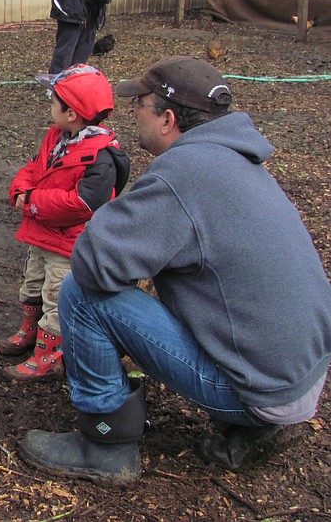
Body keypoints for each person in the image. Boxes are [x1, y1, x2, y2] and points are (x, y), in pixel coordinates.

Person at [19, 56, 331, 483]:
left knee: (80, 295)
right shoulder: (239, 160)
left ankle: (105, 443)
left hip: (261, 387)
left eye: (141, 104)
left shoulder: (182, 176)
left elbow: (94, 263)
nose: (133, 113)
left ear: (167, 119)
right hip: (301, 373)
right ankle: (253, 425)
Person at [0, 64, 130, 381]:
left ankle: (50, 354)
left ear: (71, 113)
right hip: (41, 234)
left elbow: (83, 203)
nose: (50, 105)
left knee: (57, 296)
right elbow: (34, 168)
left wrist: (32, 203)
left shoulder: (100, 155)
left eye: (53, 101)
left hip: (68, 243)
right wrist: (19, 188)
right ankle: (29, 331)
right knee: (32, 283)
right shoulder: (56, 137)